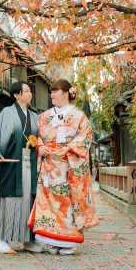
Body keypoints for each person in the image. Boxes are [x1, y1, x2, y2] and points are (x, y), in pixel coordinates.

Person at [29, 79, 97, 254]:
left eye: (55, 91)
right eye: (51, 91)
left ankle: (70, 241)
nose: (51, 94)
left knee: (68, 202)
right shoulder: (44, 116)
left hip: (69, 166)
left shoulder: (78, 115)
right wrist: (40, 146)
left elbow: (85, 135)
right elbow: (39, 136)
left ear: (66, 93)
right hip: (49, 166)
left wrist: (68, 147)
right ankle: (54, 240)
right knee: (50, 202)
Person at [0, 80, 43, 254]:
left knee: (30, 201)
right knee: (10, 201)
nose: (30, 94)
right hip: (11, 163)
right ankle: (3, 239)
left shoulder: (34, 116)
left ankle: (28, 240)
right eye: (26, 91)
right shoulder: (6, 113)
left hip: (31, 164)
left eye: (30, 91)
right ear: (16, 95)